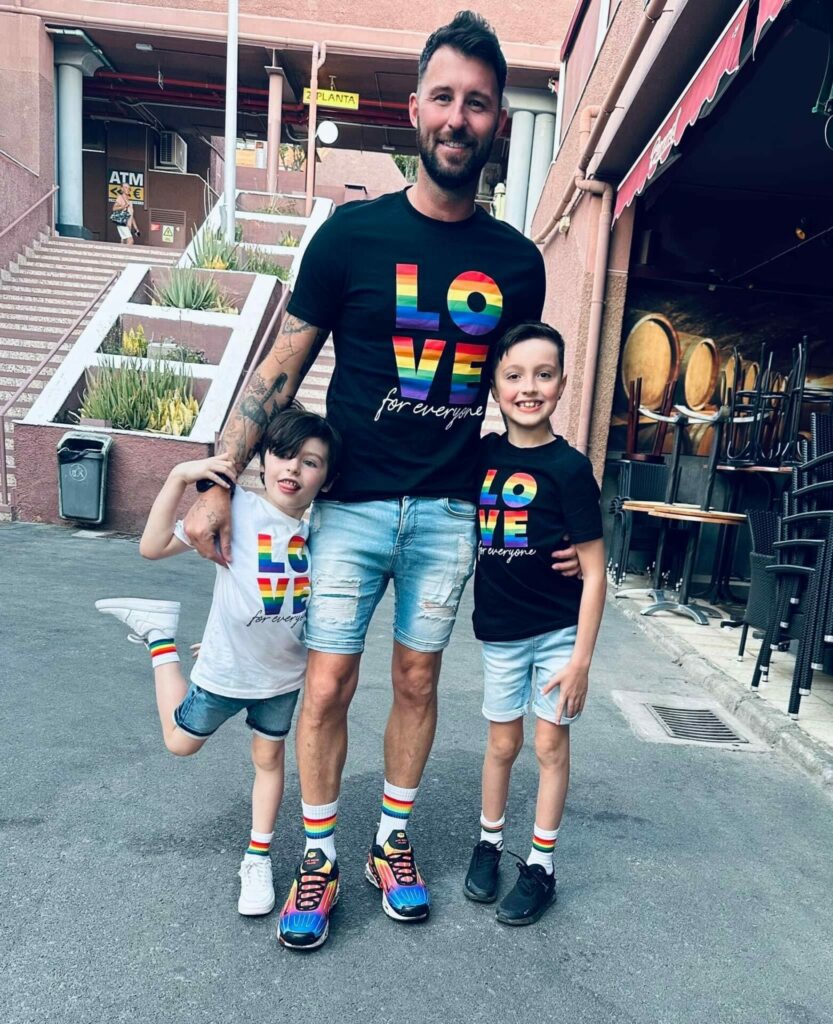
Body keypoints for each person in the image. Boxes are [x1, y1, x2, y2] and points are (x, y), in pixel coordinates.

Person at [182, 11, 579, 951]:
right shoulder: (350, 236)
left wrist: (561, 517)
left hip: (449, 512)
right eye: (443, 97)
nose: (458, 116)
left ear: (496, 126)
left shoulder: (518, 267)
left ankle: (389, 844)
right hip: (349, 507)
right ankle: (318, 857)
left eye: (477, 103)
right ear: (414, 110)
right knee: (323, 688)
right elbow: (284, 360)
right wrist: (219, 472)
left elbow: (523, 402)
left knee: (414, 680)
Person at [95, 406, 340, 918]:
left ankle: (258, 856)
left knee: (269, 761)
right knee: (180, 743)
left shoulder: (324, 532)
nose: (293, 469)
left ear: (327, 476)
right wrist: (180, 475)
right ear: (264, 459)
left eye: (310, 462)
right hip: (225, 674)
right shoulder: (239, 509)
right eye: (284, 455)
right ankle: (160, 638)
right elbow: (152, 546)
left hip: (282, 678)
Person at [462, 322, 605, 926]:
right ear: (494, 387)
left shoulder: (571, 470)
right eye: (514, 376)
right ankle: (489, 843)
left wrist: (581, 662)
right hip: (500, 630)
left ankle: (541, 865)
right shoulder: (481, 455)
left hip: (556, 633)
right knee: (502, 743)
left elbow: (595, 571)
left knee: (549, 743)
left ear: (563, 384)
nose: (529, 388)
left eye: (543, 375)